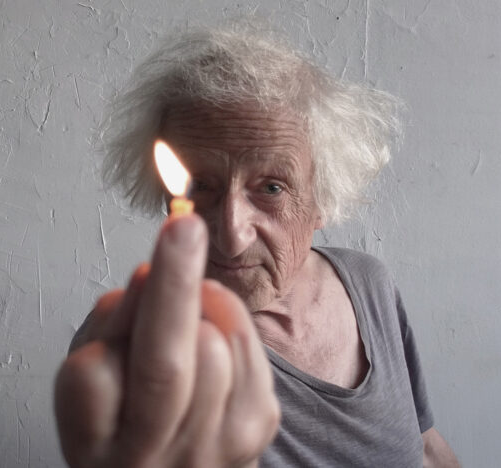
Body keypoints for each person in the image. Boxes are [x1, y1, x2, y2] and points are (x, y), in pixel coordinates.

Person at [54, 17, 460, 467]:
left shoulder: (368, 284)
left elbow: (426, 446)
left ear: (322, 200)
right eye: (200, 186)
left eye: (271, 188)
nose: (231, 235)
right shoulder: (138, 348)